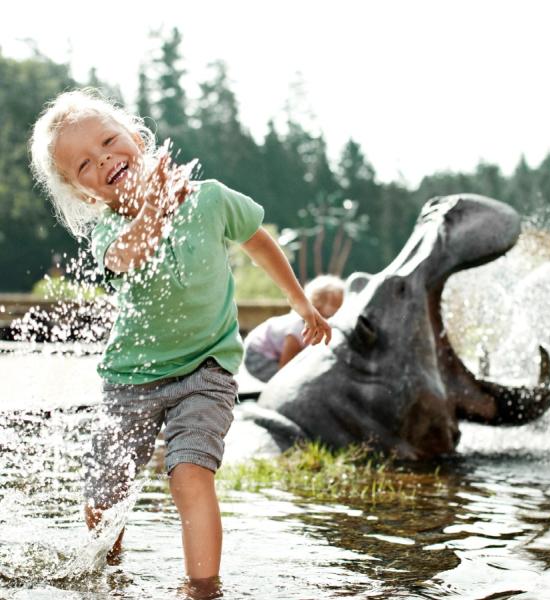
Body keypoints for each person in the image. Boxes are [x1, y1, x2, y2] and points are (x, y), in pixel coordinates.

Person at [29, 88, 332, 585]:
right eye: (85, 165)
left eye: (109, 141)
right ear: (86, 194)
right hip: (130, 379)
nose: (103, 159)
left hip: (205, 370)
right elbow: (129, 256)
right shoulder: (110, 230)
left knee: (190, 473)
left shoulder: (208, 198)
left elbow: (258, 240)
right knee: (102, 494)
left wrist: (300, 302)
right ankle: (111, 577)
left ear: (136, 137)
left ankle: (202, 590)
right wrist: (155, 208)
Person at [243, 274, 344, 382]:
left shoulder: (314, 327)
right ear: (316, 307)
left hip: (272, 351)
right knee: (291, 378)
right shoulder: (297, 331)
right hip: (257, 355)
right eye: (331, 313)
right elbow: (285, 367)